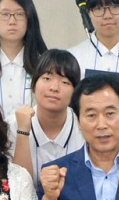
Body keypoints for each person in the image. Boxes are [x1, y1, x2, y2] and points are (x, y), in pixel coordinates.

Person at [11, 48, 84, 177]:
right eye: (47, 78)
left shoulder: (83, 126)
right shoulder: (13, 125)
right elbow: (19, 184)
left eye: (64, 82)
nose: (54, 88)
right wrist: (22, 132)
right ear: (33, 85)